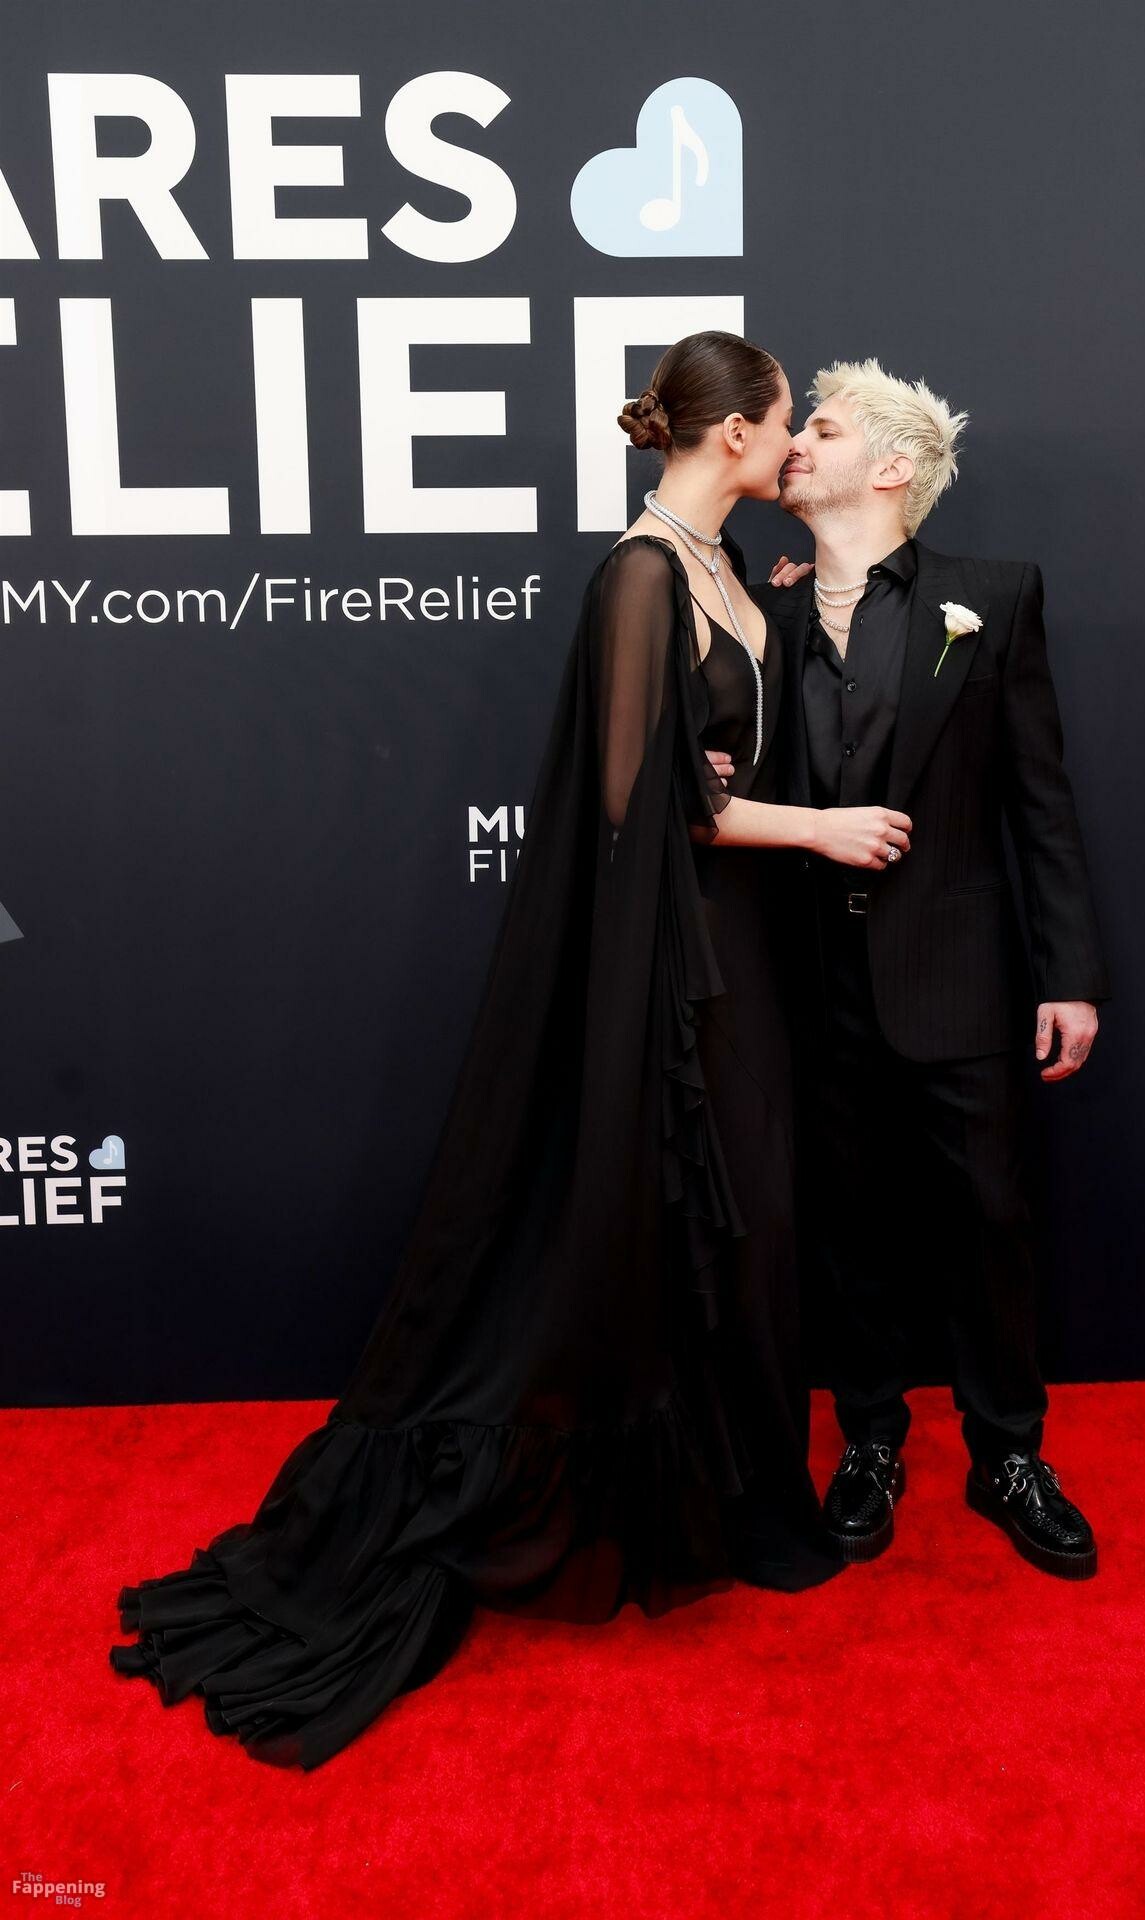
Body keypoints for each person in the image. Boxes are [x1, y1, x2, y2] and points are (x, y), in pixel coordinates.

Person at [109, 331, 914, 1769]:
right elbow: (634, 800)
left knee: (746, 1229)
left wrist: (777, 666)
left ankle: (740, 1497)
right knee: (687, 1221)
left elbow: (717, 751)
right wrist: (812, 826)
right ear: (732, 433)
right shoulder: (638, 579)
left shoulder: (733, 572)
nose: (797, 441)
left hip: (747, 958)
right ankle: (678, 1504)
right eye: (786, 418)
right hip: (682, 965)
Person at [756, 356, 1110, 1578]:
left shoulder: (991, 598)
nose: (797, 443)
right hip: (811, 980)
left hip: (961, 975)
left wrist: (1070, 973)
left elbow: (1039, 798)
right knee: (848, 1228)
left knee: (992, 1221)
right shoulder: (763, 613)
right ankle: (869, 1442)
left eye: (824, 428)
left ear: (894, 466)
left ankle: (1008, 1454)